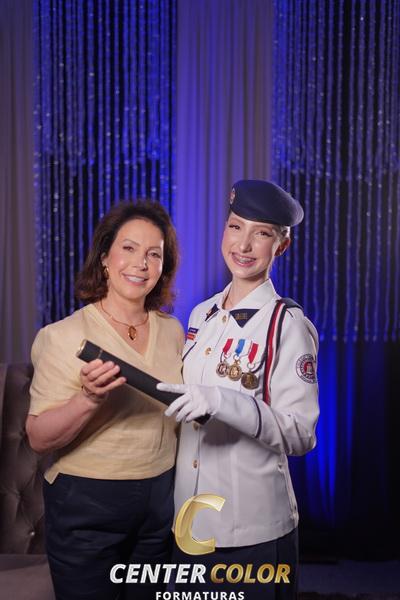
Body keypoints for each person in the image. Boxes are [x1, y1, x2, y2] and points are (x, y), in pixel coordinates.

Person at [158, 180, 319, 599]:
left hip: (252, 531)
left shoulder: (287, 325)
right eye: (235, 227)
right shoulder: (202, 314)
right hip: (190, 524)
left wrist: (223, 402)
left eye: (261, 233)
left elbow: (301, 434)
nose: (243, 245)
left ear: (281, 246)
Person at [26, 201, 185, 600]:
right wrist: (89, 398)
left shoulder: (174, 331)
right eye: (128, 248)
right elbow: (38, 439)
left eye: (154, 254)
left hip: (160, 502)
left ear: (163, 266)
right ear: (104, 258)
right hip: (87, 503)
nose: (141, 264)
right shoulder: (61, 336)